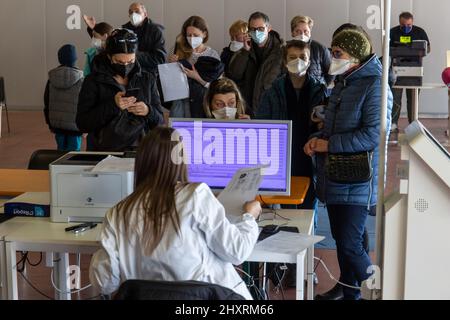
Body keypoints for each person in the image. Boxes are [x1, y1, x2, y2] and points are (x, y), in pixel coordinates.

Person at [89, 127, 261, 299]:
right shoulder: (196, 195)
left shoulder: (117, 213)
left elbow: (105, 283)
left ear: (141, 162)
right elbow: (237, 251)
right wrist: (249, 217)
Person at [304, 29, 392, 300]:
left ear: (354, 56)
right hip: (338, 175)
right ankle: (349, 290)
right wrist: (316, 139)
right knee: (349, 239)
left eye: (337, 52)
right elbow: (333, 127)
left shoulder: (375, 85)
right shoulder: (346, 82)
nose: (332, 56)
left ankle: (379, 290)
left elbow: (374, 134)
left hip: (358, 178)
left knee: (350, 243)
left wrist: (328, 145)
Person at [257, 40, 327, 209]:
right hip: (283, 157)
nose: (298, 61)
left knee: (310, 205)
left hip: (310, 155)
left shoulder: (319, 90)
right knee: (287, 206)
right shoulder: (272, 92)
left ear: (309, 61)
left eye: (303, 57)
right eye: (292, 57)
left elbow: (326, 124)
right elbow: (264, 126)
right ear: (285, 62)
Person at [76, 29, 164, 152]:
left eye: (131, 61)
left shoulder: (147, 79)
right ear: (109, 56)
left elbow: (160, 120)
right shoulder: (93, 81)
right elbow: (82, 123)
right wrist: (113, 105)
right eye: (119, 62)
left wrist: (148, 110)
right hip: (104, 152)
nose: (125, 66)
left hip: (141, 152)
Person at [84, 2, 166, 74]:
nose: (133, 14)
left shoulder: (155, 31)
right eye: (131, 12)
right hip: (127, 74)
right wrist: (93, 29)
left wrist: (132, 54)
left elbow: (160, 59)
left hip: (148, 75)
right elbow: (110, 44)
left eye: (137, 11)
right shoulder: (124, 30)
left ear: (145, 14)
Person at [228, 12, 283, 116]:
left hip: (271, 109)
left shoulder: (281, 51)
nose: (257, 32)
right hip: (247, 108)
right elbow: (234, 74)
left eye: (261, 29)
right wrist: (244, 52)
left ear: (269, 28)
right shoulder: (244, 48)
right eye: (253, 29)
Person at [168, 16, 223, 118]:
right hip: (181, 103)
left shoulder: (212, 54)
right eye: (189, 35)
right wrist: (171, 66)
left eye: (196, 35)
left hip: (203, 102)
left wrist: (196, 77)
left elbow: (217, 86)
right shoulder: (177, 50)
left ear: (204, 34)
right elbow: (171, 83)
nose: (192, 38)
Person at [389, 11, 431, 132]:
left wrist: (418, 51)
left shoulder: (419, 32)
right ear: (399, 23)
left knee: (413, 99)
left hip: (415, 68)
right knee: (395, 97)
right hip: (397, 69)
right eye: (403, 26)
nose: (406, 28)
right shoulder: (393, 32)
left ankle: (413, 123)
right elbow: (388, 48)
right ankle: (393, 123)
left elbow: (428, 47)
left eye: (409, 25)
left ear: (412, 22)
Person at [44, 44, 84, 151]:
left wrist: (49, 122)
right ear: (75, 59)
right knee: (73, 154)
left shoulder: (52, 79)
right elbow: (84, 103)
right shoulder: (81, 79)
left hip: (57, 124)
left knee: (60, 152)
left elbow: (46, 101)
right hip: (75, 125)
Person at [290, 16, 333, 86]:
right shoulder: (284, 50)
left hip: (315, 92)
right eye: (298, 31)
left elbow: (331, 72)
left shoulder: (320, 49)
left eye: (305, 31)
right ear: (292, 33)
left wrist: (322, 88)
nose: (302, 35)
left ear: (310, 33)